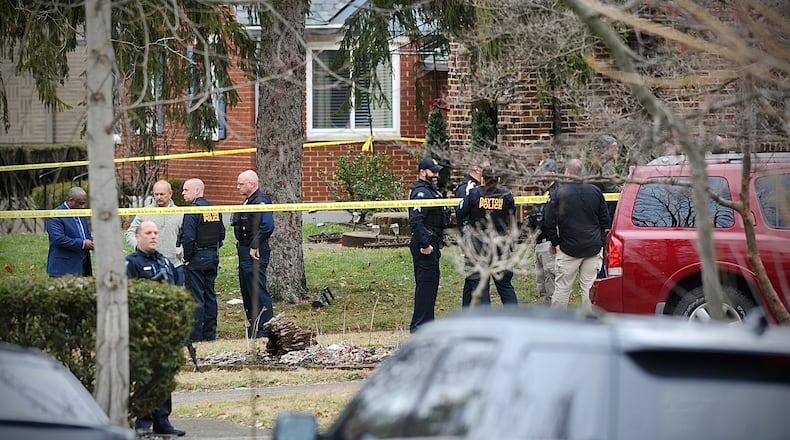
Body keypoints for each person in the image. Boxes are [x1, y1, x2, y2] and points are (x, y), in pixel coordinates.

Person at [125, 221, 186, 437]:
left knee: (164, 375)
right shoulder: (131, 264)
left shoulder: (164, 262)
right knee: (145, 376)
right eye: (148, 233)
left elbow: (176, 293)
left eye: (155, 233)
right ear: (138, 236)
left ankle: (163, 421)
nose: (153, 236)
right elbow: (127, 297)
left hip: (165, 329)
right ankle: (143, 422)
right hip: (143, 331)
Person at [544, 158, 611, 312]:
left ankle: (558, 321)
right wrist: (600, 240)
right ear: (581, 173)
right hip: (592, 248)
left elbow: (549, 221)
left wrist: (555, 243)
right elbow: (605, 221)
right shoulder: (595, 191)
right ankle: (590, 322)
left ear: (567, 172)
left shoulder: (559, 193)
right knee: (589, 289)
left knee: (562, 289)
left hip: (568, 248)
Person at [456, 166, 519, 307]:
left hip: (478, 243)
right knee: (505, 285)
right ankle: (515, 317)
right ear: (498, 179)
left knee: (481, 284)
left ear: (482, 179)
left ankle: (485, 323)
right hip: (500, 242)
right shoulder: (507, 195)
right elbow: (512, 215)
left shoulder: (474, 194)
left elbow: (460, 212)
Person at [408, 157, 451, 333]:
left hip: (432, 243)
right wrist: (425, 244)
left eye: (436, 171)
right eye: (432, 171)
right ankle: (420, 327)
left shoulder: (431, 191)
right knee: (426, 288)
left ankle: (426, 325)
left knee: (430, 287)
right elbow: (416, 220)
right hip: (425, 246)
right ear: (422, 172)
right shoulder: (421, 193)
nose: (436, 174)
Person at [231, 170, 275, 338]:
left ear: (252, 184)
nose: (237, 187)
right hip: (244, 251)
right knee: (247, 291)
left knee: (257, 291)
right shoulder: (249, 201)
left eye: (241, 184)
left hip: (254, 253)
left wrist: (255, 245)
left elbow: (267, 226)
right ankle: (255, 326)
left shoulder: (261, 201)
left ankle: (266, 328)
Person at [181, 178, 225, 342]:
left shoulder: (193, 211)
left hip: (197, 258)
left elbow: (188, 238)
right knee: (210, 296)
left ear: (197, 191)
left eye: (186, 190)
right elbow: (221, 234)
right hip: (212, 256)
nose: (183, 193)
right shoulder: (214, 210)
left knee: (196, 297)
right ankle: (210, 334)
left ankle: (196, 336)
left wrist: (187, 258)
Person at [125, 180, 185, 286]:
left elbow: (187, 235)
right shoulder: (144, 212)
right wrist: (138, 246)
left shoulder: (180, 213)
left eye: (162, 194)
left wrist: (182, 253)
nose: (158, 197)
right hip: (150, 265)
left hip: (175, 264)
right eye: (156, 194)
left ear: (170, 194)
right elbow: (130, 232)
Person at [527, 159, 560, 305]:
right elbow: (535, 215)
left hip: (549, 244)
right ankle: (545, 312)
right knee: (541, 283)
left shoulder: (558, 193)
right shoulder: (542, 193)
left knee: (551, 279)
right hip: (539, 243)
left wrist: (555, 241)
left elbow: (554, 220)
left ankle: (554, 315)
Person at [46, 187, 94, 277]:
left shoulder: (80, 212)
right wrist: (83, 244)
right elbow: (59, 239)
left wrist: (93, 242)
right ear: (70, 201)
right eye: (81, 203)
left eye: (84, 203)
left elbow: (85, 233)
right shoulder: (56, 215)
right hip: (63, 268)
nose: (83, 207)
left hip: (83, 265)